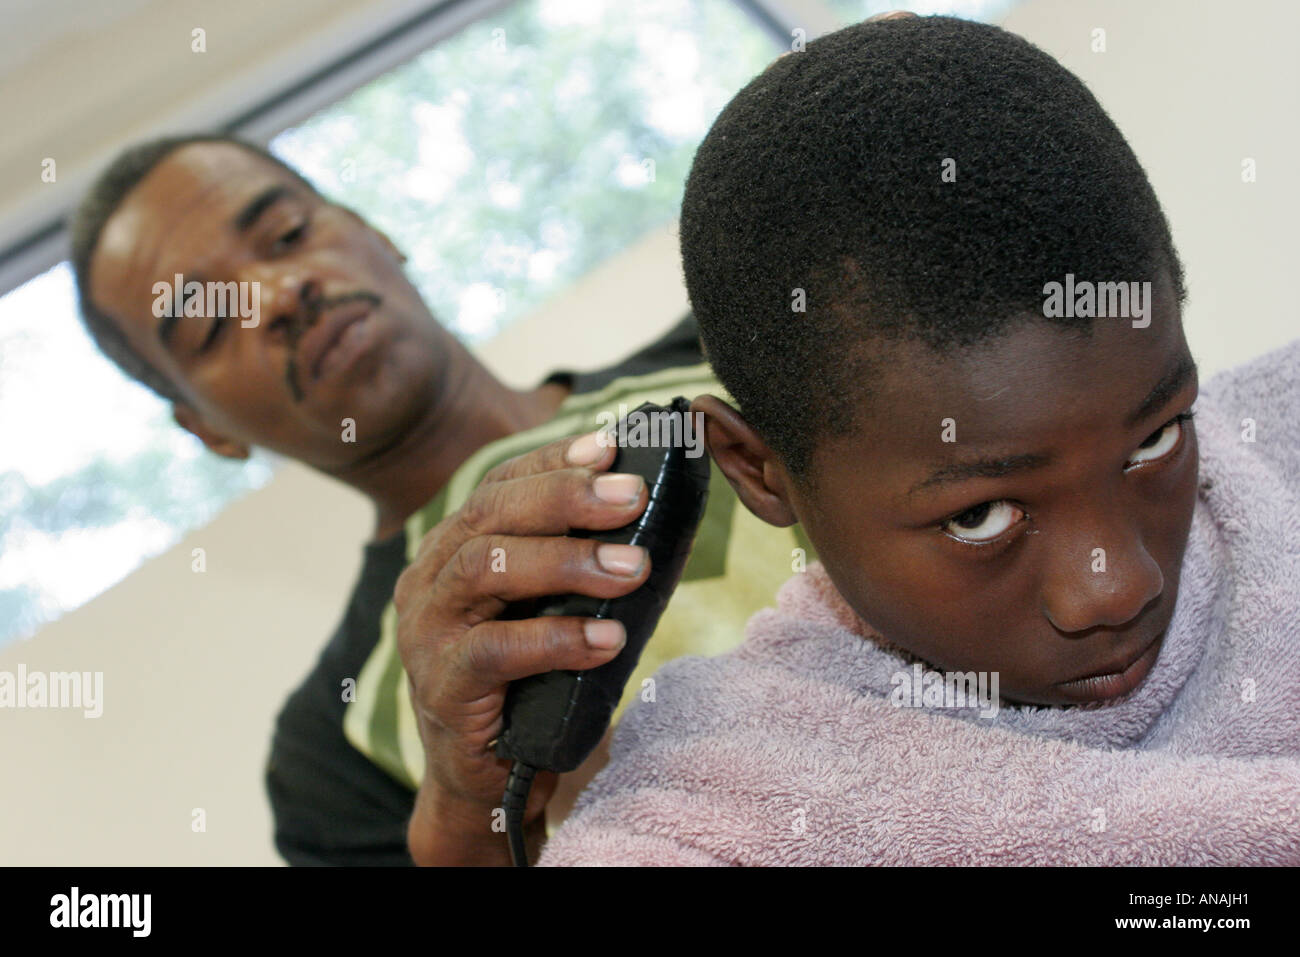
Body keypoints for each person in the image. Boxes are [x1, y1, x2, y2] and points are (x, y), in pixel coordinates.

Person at [530, 15, 1300, 864]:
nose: (1118, 586)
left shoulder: (1279, 444)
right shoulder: (722, 807)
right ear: (760, 471)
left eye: (1155, 440)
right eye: (981, 516)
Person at [69, 135, 812, 865]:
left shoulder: (735, 340)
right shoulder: (329, 750)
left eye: (287, 234)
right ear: (206, 429)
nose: (278, 295)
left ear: (374, 232)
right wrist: (464, 809)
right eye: (210, 323)